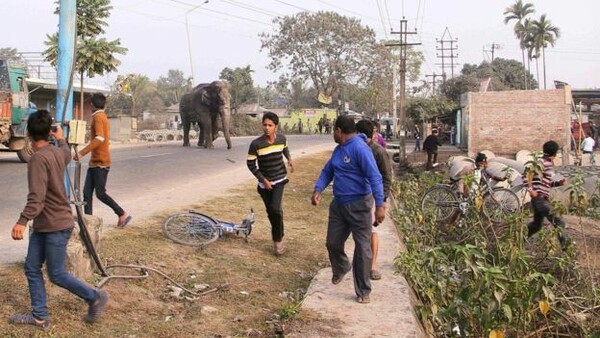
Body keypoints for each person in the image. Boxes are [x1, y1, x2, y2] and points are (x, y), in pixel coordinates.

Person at [10, 110, 108, 329]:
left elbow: (36, 198)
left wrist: (22, 221)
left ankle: (94, 297)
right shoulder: (58, 152)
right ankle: (39, 316)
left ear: (28, 134)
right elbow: (65, 150)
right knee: (32, 267)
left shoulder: (38, 158)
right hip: (47, 225)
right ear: (49, 132)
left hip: (54, 226)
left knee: (56, 274)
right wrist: (61, 138)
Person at [311, 115, 385, 304]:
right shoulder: (338, 150)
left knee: (362, 248)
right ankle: (342, 266)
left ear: (338, 131)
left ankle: (363, 290)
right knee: (332, 243)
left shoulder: (360, 149)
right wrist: (318, 189)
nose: (332, 134)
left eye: (333, 131)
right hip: (339, 205)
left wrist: (380, 205)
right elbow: (328, 171)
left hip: (360, 205)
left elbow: (375, 176)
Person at [75, 92, 131, 228]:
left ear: (92, 105)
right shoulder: (100, 116)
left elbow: (99, 138)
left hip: (101, 163)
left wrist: (82, 152)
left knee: (100, 193)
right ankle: (88, 222)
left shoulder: (99, 117)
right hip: (95, 163)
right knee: (86, 193)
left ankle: (122, 213)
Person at [247, 112, 294, 255]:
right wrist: (263, 180)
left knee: (275, 209)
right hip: (264, 184)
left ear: (276, 127)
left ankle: (277, 240)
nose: (267, 128)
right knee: (272, 212)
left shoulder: (281, 139)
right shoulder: (256, 144)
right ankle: (279, 230)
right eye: (265, 125)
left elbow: (284, 148)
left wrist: (289, 159)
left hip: (279, 179)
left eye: (270, 125)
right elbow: (250, 164)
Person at [356, 120, 392, 281]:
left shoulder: (378, 151)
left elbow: (387, 177)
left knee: (371, 231)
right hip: (357, 196)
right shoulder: (355, 149)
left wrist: (382, 202)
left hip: (373, 196)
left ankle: (373, 265)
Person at [524, 140, 568, 249]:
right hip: (539, 199)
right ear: (555, 153)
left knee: (536, 226)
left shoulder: (547, 163)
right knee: (559, 221)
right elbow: (525, 176)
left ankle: (518, 242)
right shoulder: (541, 162)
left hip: (541, 198)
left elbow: (546, 184)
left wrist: (558, 183)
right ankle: (567, 249)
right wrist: (531, 190)